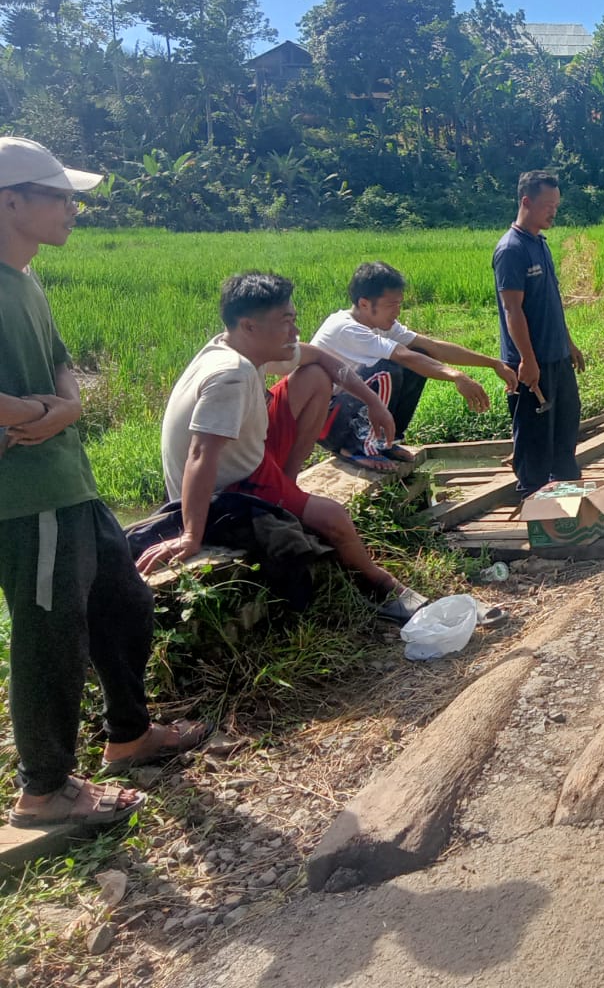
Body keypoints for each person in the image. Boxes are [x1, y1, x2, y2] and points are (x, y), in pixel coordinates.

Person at [0, 137, 208, 829]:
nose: (73, 209)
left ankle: (128, 733)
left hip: (70, 482)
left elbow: (63, 370)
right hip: (27, 499)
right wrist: (40, 412)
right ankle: (45, 788)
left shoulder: (26, 277)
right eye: (59, 197)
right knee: (48, 634)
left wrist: (58, 409)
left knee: (122, 602)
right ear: (12, 202)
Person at [142, 272, 426, 625]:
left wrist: (373, 402)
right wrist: (190, 535)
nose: (294, 332)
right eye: (286, 322)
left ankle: (288, 486)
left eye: (293, 320)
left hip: (249, 453)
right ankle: (379, 587)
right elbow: (201, 455)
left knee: (316, 376)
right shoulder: (230, 375)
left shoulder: (240, 347)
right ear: (249, 326)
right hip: (230, 487)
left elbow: (322, 357)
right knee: (335, 519)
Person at [311, 261, 516, 471]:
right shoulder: (347, 328)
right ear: (364, 304)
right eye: (391, 305)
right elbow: (403, 356)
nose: (398, 311)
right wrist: (456, 376)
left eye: (399, 304)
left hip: (343, 412)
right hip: (325, 423)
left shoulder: (379, 324)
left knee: (420, 356)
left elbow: (433, 347)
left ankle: (387, 442)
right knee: (388, 369)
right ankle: (357, 448)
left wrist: (493, 363)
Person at [493, 171, 586, 498]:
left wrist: (569, 344)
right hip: (532, 366)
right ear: (526, 202)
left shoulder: (540, 245)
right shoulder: (511, 249)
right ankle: (534, 508)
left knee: (564, 433)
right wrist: (528, 362)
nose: (553, 212)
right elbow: (512, 310)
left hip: (557, 358)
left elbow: (551, 302)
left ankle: (570, 509)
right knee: (534, 443)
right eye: (547, 205)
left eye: (556, 206)